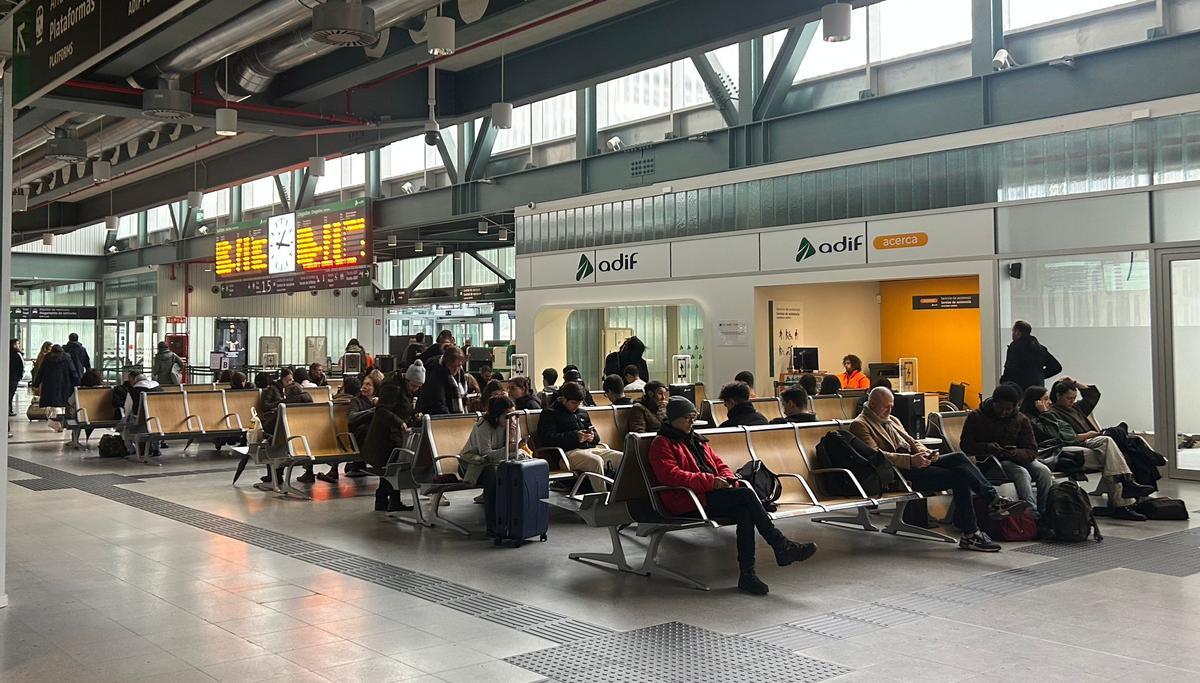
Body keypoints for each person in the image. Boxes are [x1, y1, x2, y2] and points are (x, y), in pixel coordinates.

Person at [649, 396, 817, 595]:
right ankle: (780, 545)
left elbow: (719, 464)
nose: (691, 422)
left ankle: (748, 574)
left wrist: (728, 480)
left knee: (744, 511)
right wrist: (711, 481)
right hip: (686, 499)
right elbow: (671, 475)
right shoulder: (662, 444)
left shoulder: (697, 440)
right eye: (687, 418)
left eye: (693, 418)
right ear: (674, 418)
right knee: (745, 496)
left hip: (709, 494)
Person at [851, 388, 1029, 551]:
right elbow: (876, 455)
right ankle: (972, 532)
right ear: (872, 405)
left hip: (915, 464)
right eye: (886, 407)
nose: (890, 410)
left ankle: (992, 502)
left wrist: (927, 453)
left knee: (959, 458)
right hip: (898, 473)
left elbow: (913, 442)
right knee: (958, 477)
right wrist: (911, 460)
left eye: (891, 406)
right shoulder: (861, 424)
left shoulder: (892, 420)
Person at [1021, 386, 1151, 520]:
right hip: (1056, 449)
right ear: (1035, 402)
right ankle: (1125, 495)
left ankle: (1124, 498)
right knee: (1114, 452)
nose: (1049, 402)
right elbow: (1055, 435)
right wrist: (1045, 414)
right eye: (1045, 399)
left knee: (1110, 445)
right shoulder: (1033, 418)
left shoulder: (1071, 410)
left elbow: (1068, 432)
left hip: (1075, 443)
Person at [960, 384, 1054, 517]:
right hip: (992, 461)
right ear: (993, 403)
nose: (1003, 412)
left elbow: (1032, 450)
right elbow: (966, 445)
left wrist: (1015, 452)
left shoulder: (1021, 419)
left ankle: (1046, 512)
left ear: (1015, 406)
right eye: (1000, 408)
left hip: (1016, 457)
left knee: (1043, 471)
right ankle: (1032, 514)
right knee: (1021, 473)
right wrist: (987, 447)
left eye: (1008, 409)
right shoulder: (976, 417)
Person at [536, 382, 622, 491]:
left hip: (590, 449)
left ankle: (620, 493)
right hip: (567, 454)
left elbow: (597, 437)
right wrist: (575, 437)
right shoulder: (549, 413)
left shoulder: (582, 413)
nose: (576, 406)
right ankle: (602, 497)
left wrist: (592, 437)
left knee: (620, 457)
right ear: (564, 399)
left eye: (579, 403)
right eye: (574, 403)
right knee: (595, 461)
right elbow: (547, 439)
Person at [362, 383, 417, 512]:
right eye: (415, 385)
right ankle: (392, 502)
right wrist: (400, 422)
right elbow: (382, 410)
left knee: (389, 470)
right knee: (391, 468)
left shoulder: (403, 391)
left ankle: (384, 501)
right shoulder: (394, 388)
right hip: (384, 438)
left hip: (389, 437)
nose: (416, 389)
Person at [1000, 320, 1062, 390]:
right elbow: (1056, 367)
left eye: (1013, 331)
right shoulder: (1041, 349)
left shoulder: (1015, 347)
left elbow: (1010, 369)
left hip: (1019, 389)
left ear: (1017, 332)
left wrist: (1003, 383)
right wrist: (1039, 375)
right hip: (1038, 389)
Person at [417, 345, 468, 416]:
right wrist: (451, 419)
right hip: (432, 412)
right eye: (453, 366)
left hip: (445, 412)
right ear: (447, 363)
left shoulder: (459, 371)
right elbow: (438, 402)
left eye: (459, 365)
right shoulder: (433, 371)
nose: (457, 370)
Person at [31, 344, 80, 414]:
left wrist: (36, 384)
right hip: (64, 384)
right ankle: (60, 418)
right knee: (63, 403)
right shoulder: (67, 358)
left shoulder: (47, 358)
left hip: (49, 385)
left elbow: (41, 372)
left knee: (53, 404)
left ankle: (56, 418)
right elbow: (73, 372)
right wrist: (77, 383)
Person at [10, 339, 24, 416]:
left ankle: (9, 409)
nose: (19, 345)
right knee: (10, 394)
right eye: (18, 343)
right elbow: (19, 366)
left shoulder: (14, 354)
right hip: (13, 377)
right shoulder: (15, 354)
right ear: (14, 345)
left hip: (14, 377)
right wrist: (19, 376)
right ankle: (9, 410)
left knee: (10, 394)